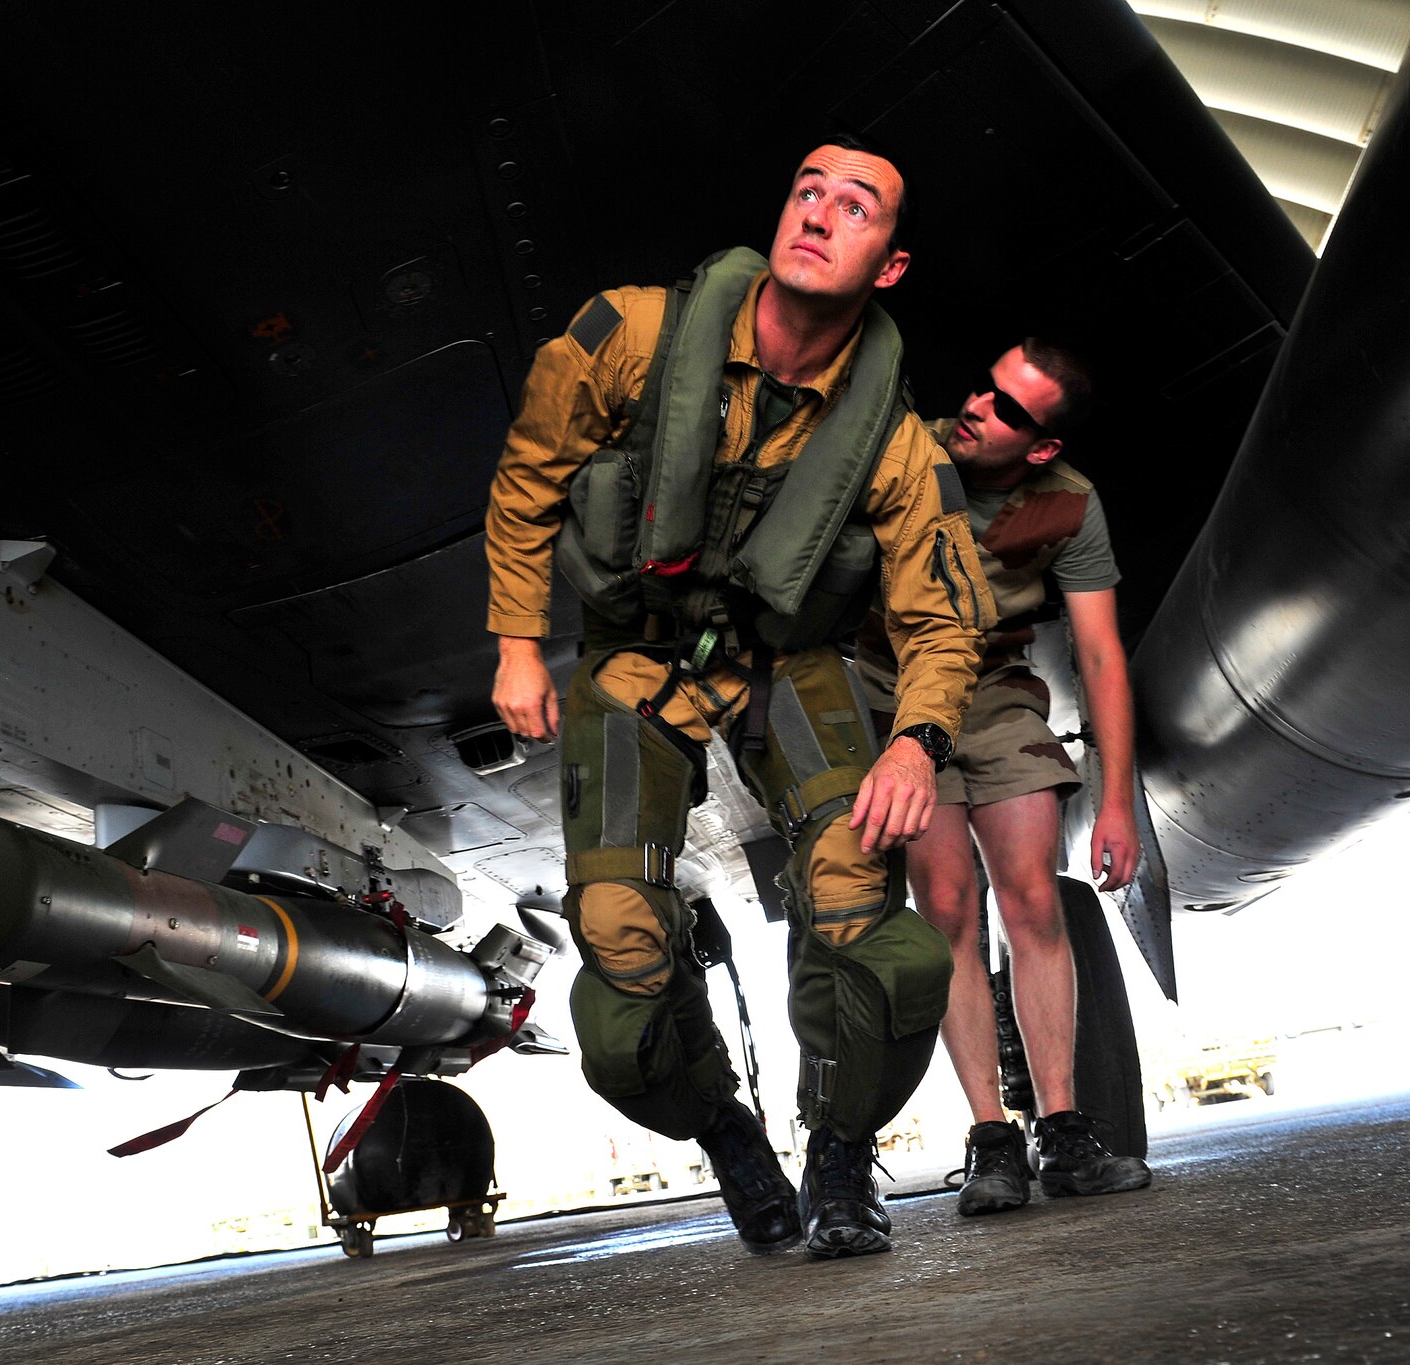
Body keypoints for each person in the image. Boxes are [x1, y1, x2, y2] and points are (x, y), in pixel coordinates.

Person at [484, 137, 991, 1258]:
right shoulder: (633, 335)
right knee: (617, 935)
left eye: (852, 205)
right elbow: (527, 479)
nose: (818, 213)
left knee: (861, 897)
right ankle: (721, 1126)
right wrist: (517, 643)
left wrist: (915, 742)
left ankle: (841, 1153)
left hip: (782, 662)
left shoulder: (893, 441)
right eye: (805, 191)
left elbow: (940, 610)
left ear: (888, 264)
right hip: (632, 654)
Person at [858, 340, 1152, 1215]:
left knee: (1031, 899)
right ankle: (993, 1141)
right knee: (946, 908)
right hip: (900, 702)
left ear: (1042, 448)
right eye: (985, 385)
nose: (979, 406)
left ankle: (1062, 1131)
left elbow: (1100, 654)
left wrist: (1117, 803)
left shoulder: (1068, 505)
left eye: (1009, 409)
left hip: (996, 696)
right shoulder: (906, 450)